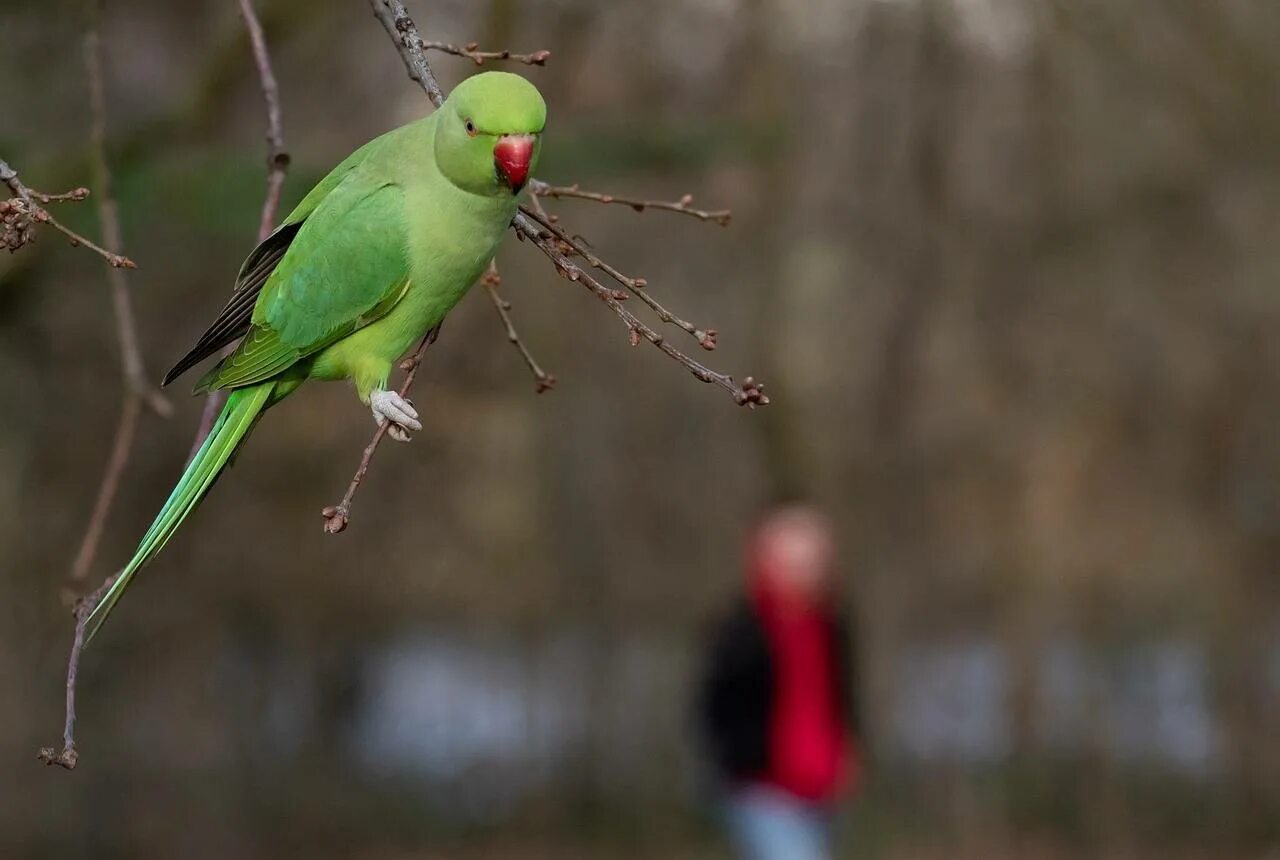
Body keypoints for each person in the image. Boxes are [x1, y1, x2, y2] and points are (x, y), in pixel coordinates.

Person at [698, 504, 860, 860]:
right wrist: (739, 762)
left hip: (820, 786)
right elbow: (715, 706)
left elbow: (841, 696)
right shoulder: (743, 631)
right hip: (763, 787)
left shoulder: (830, 625)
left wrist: (848, 748)